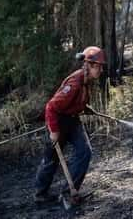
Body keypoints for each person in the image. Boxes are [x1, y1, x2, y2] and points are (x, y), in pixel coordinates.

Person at [34, 46, 105, 202]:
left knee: (84, 151)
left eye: (101, 67)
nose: (101, 70)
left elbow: (77, 102)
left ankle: (68, 194)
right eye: (98, 67)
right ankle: (40, 194)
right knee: (51, 159)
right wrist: (53, 131)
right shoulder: (74, 83)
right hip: (57, 121)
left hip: (72, 121)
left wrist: (86, 109)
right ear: (89, 65)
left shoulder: (87, 81)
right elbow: (51, 107)